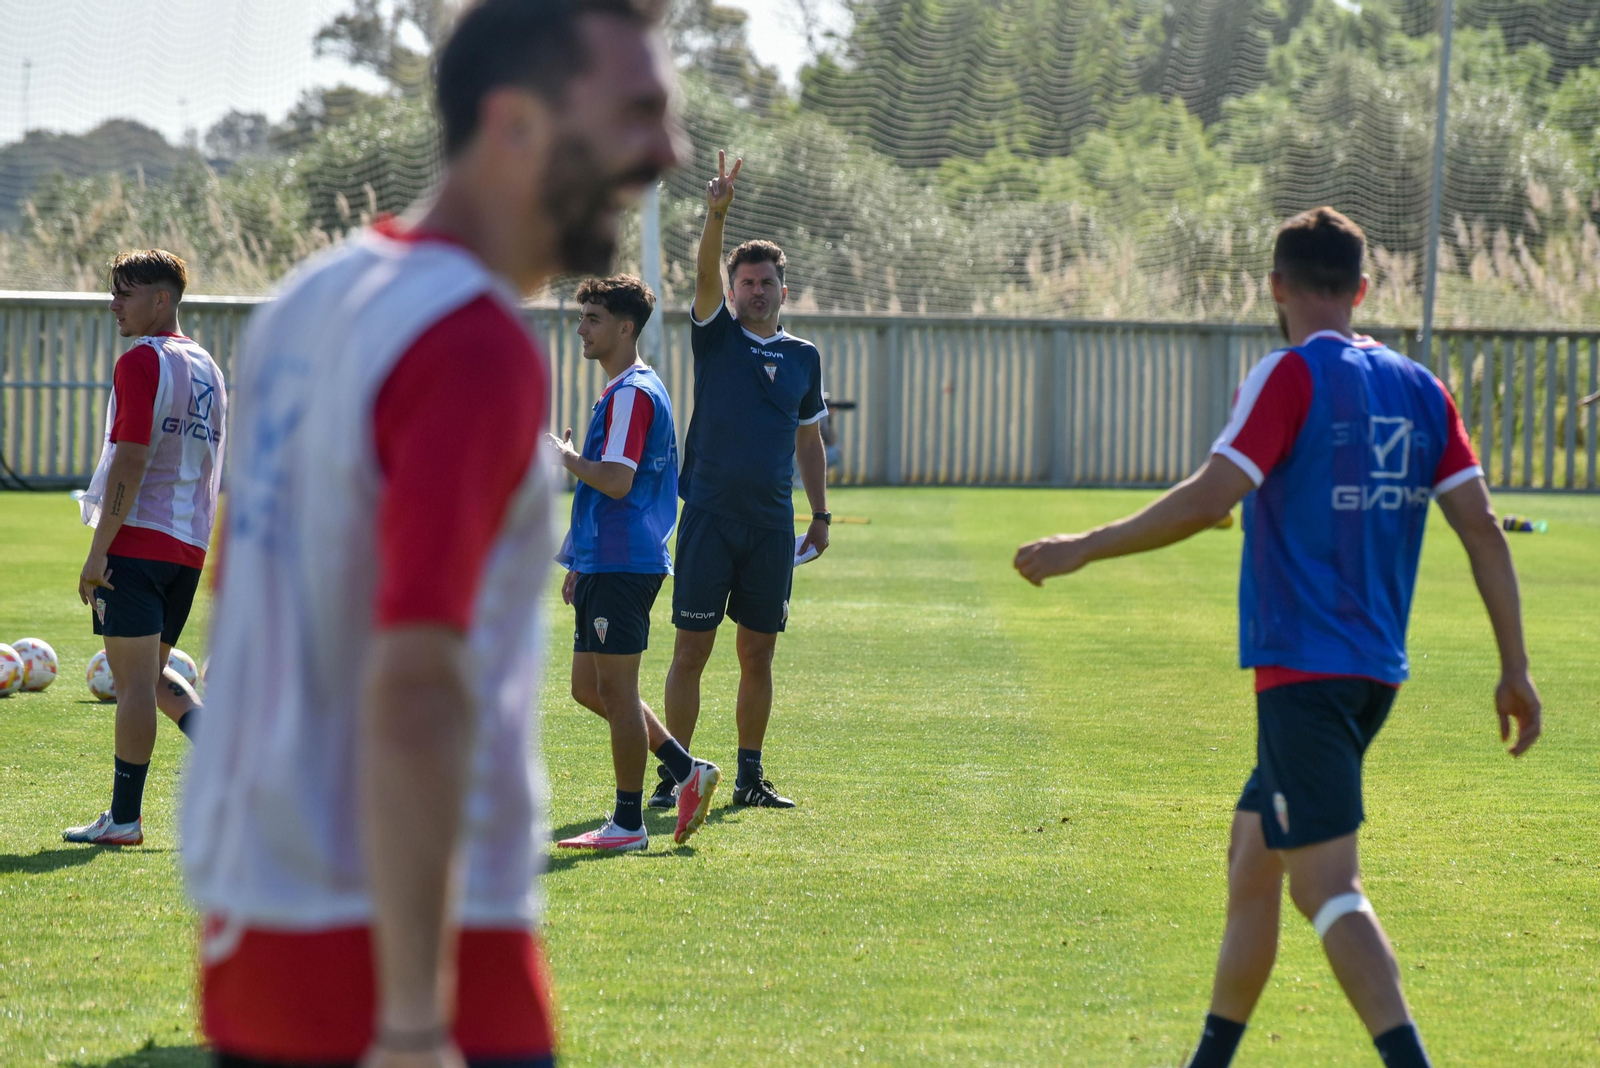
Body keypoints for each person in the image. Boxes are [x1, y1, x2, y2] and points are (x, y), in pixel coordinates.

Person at [180, 3, 680, 1067]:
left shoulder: (310, 300)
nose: (667, 150)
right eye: (635, 113)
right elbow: (413, 688)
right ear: (513, 125)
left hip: (256, 935)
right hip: (405, 959)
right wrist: (413, 1020)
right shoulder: (470, 342)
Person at [1014, 207, 1542, 1068]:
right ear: (1364, 290)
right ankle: (1210, 1059)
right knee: (1253, 856)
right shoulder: (1419, 386)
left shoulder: (1287, 375)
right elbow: (1481, 526)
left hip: (1304, 673)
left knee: (1327, 889)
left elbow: (1211, 496)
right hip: (1373, 673)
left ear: (1277, 287)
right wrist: (1513, 668)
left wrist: (1084, 547)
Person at [654, 151, 831, 811]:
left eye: (766, 283)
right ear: (731, 291)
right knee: (691, 651)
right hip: (706, 515)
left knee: (758, 654)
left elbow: (808, 437)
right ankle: (676, 775)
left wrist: (820, 514)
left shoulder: (803, 358)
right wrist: (716, 215)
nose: (755, 291)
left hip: (767, 525)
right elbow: (703, 270)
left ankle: (750, 777)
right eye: (745, 283)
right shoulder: (716, 338)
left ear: (784, 289)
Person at [549, 274, 720, 852]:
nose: (582, 329)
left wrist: (568, 459)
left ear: (626, 328)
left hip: (626, 559)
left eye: (593, 319)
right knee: (587, 687)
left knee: (617, 692)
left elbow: (618, 481)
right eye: (582, 318)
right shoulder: (625, 390)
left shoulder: (631, 393)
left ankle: (628, 824)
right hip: (607, 558)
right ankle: (683, 768)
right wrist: (582, 558)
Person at [65, 249, 221, 847]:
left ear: (162, 299)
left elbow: (131, 456)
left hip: (137, 543)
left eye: (125, 294)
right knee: (152, 677)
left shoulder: (141, 362)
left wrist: (98, 548)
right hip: (187, 546)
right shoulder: (208, 366)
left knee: (131, 683)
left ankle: (124, 820)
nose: (114, 305)